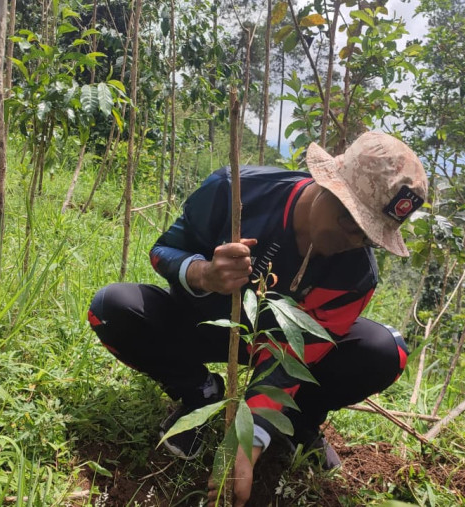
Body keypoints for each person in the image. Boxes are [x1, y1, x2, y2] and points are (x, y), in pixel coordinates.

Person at [88, 131, 428, 506]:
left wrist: (247, 443)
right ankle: (199, 394)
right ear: (329, 185)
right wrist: (203, 274)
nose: (353, 241)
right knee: (111, 307)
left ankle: (298, 423)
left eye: (368, 237)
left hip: (274, 349)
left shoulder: (357, 276)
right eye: (350, 223)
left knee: (385, 350)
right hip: (203, 322)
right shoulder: (236, 190)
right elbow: (162, 250)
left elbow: (295, 355)